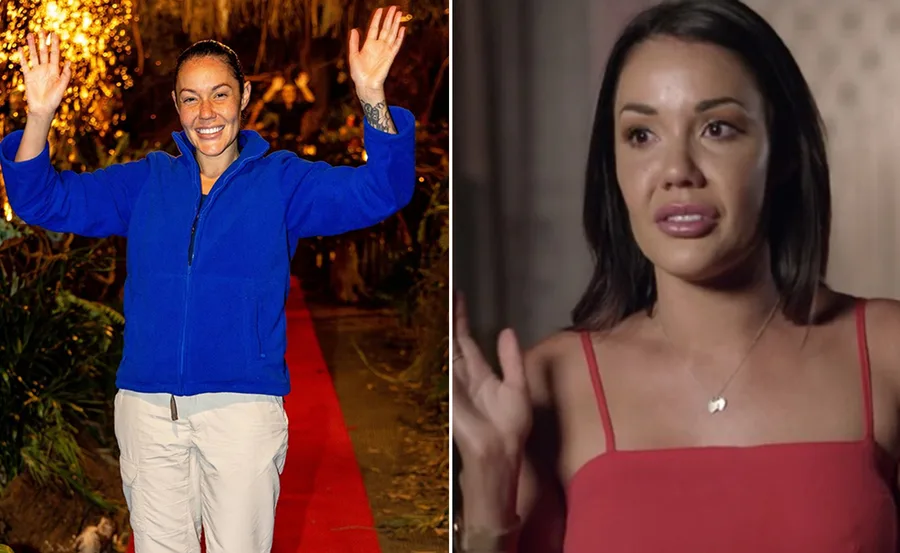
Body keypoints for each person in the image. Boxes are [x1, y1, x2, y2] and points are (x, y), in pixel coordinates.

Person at [452, 1, 900, 551]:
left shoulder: (886, 351)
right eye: (641, 135)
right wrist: (486, 495)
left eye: (717, 128)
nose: (677, 171)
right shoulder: (550, 384)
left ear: (782, 152)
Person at [0, 6, 413, 553]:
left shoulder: (282, 181)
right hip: (148, 410)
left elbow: (383, 191)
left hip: (241, 410)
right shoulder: (146, 181)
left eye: (220, 94)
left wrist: (372, 95)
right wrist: (39, 115)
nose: (206, 112)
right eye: (191, 98)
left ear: (244, 97)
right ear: (177, 106)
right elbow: (39, 200)